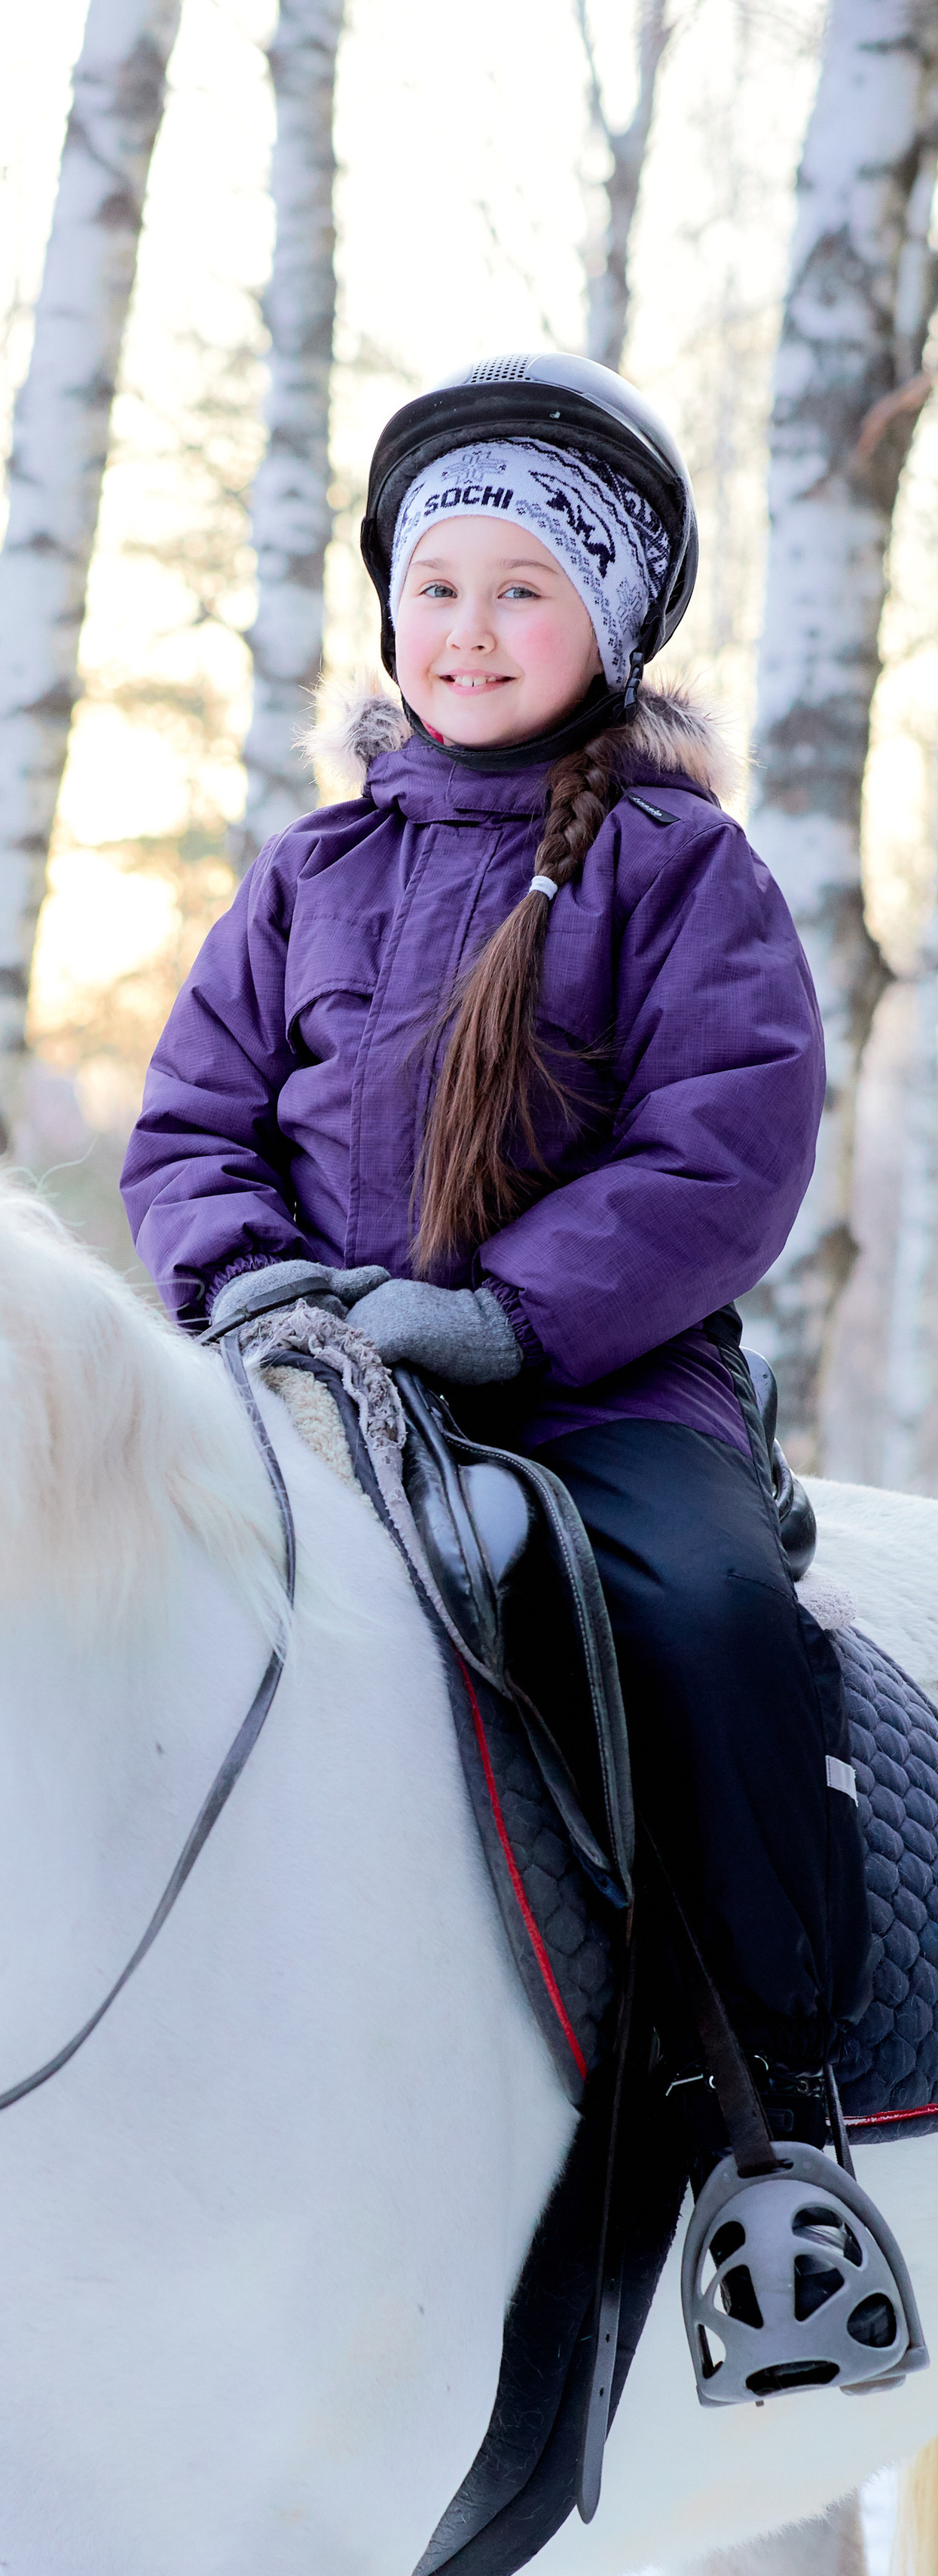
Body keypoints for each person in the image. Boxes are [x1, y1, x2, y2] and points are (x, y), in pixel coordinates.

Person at [121, 352, 900, 2396]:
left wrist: (506, 1318)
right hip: (310, 1387)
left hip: (599, 1390)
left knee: (712, 1619)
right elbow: (189, 1135)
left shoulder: (677, 871)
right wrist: (259, 1288)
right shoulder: (305, 877)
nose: (470, 630)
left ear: (609, 630)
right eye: (437, 586)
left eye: (523, 591)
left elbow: (723, 1150)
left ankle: (772, 2148)